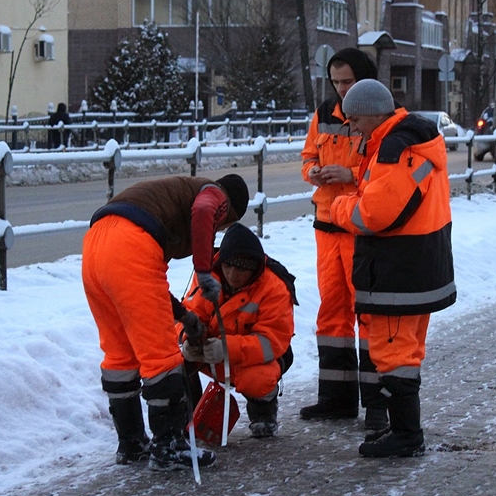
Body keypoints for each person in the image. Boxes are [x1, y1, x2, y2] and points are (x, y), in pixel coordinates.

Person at [81, 173, 250, 471]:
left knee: (120, 355)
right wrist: (203, 270)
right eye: (223, 225)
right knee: (161, 356)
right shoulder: (216, 194)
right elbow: (204, 210)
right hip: (131, 244)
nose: (219, 228)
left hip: (95, 246)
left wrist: (185, 316)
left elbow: (144, 285)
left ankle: (131, 443)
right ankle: (169, 446)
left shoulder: (168, 195)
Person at [329, 79, 456, 458]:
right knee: (407, 352)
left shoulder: (394, 148)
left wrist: (338, 207)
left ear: (372, 115)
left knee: (393, 354)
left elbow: (374, 214)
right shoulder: (416, 141)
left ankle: (406, 435)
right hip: (421, 266)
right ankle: (404, 429)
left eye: (354, 120)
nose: (352, 128)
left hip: (397, 271)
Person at [299, 46, 388, 434]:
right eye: (336, 82)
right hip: (326, 226)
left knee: (367, 312)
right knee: (332, 311)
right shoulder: (323, 115)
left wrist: (348, 174)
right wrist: (314, 172)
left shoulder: (377, 116)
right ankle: (336, 398)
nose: (341, 89)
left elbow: (382, 169)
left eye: (348, 81)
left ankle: (377, 405)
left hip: (359, 227)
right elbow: (306, 157)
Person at [178, 222, 297, 439]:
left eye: (241, 269)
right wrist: (188, 339)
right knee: (173, 358)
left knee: (258, 379)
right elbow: (190, 312)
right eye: (228, 266)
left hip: (255, 359)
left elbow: (272, 341)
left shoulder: (274, 288)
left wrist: (226, 348)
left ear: (255, 268)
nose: (233, 274)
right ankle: (189, 417)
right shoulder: (206, 275)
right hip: (212, 352)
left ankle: (263, 414)